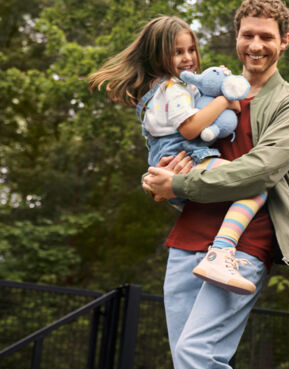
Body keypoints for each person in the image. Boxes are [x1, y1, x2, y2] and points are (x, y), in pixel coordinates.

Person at [141, 0, 289, 369]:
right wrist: (162, 178)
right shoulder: (209, 89)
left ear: (285, 42)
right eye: (248, 35)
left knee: (201, 353)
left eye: (267, 37)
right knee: (187, 359)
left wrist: (179, 185)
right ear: (236, 38)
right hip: (189, 235)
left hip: (244, 243)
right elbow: (182, 144)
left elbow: (261, 170)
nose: (256, 45)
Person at [88, 16, 263, 295]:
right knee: (254, 188)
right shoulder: (172, 89)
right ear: (159, 56)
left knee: (220, 204)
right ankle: (220, 253)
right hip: (191, 158)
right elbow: (191, 128)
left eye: (191, 50)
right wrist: (223, 100)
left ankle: (216, 252)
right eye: (177, 52)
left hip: (174, 164)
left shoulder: (165, 89)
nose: (187, 58)